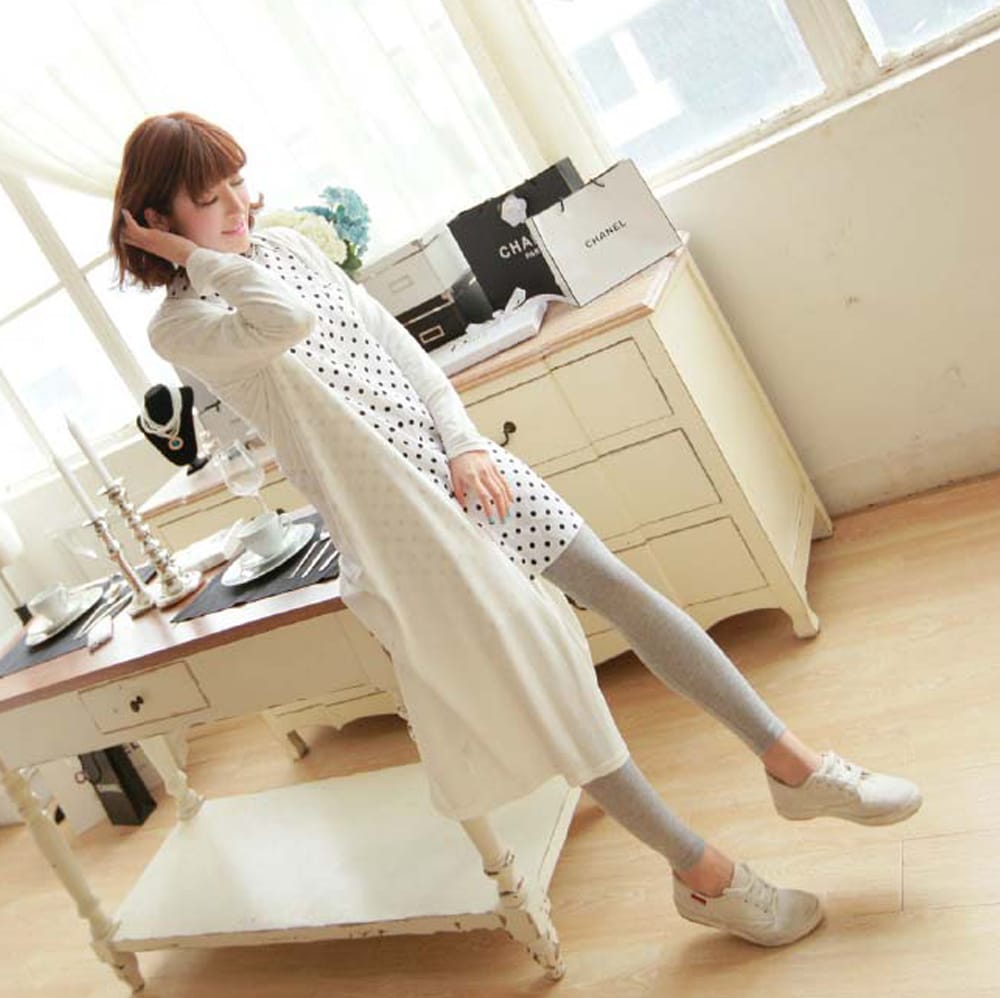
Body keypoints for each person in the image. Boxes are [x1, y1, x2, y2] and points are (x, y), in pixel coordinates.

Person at [111, 112, 922, 949]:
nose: (239, 205)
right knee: (554, 697)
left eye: (238, 182)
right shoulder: (180, 325)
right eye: (210, 199)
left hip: (462, 468)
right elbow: (282, 324)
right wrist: (193, 259)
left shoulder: (288, 249)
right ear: (158, 221)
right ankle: (703, 877)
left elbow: (399, 350)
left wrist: (464, 442)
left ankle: (795, 766)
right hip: (404, 528)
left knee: (622, 590)